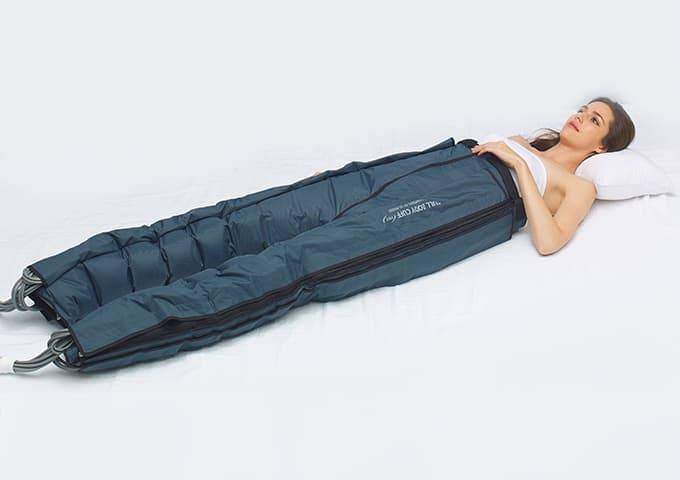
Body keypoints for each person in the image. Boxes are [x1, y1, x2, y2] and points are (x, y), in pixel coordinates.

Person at [312, 96, 636, 256]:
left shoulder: (580, 186)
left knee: (363, 228)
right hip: (447, 165)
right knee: (345, 188)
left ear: (602, 147)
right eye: (582, 110)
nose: (580, 117)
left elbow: (548, 242)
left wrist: (521, 167)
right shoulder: (524, 142)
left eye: (594, 120)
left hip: (470, 195)